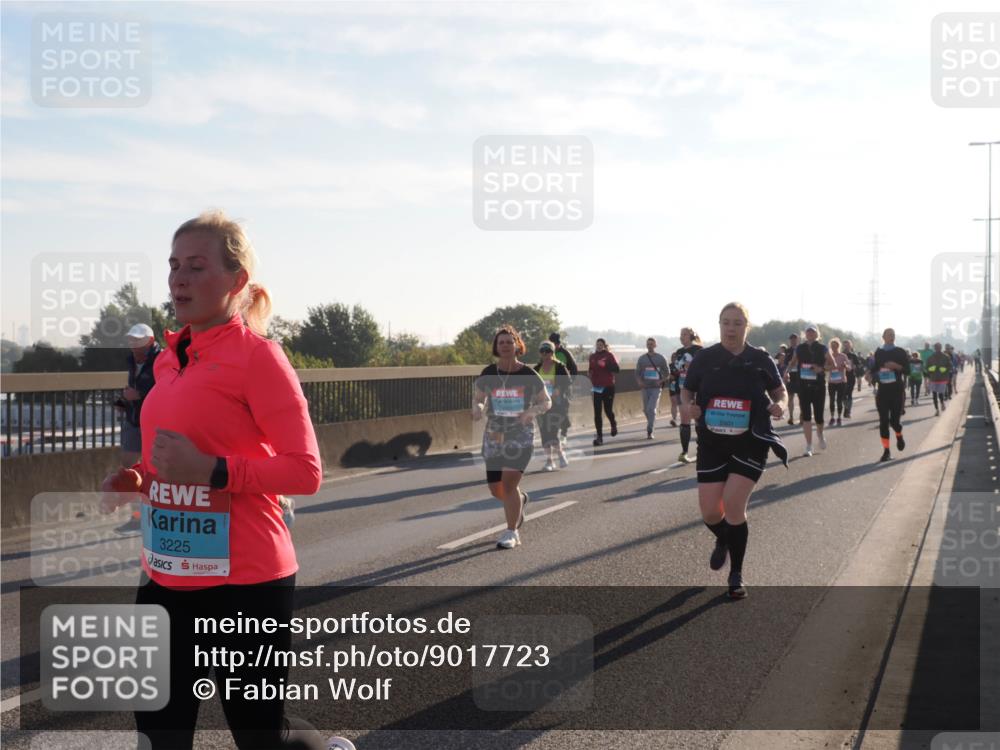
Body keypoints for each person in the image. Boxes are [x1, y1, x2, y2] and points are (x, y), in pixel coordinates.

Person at [99, 211, 337, 750]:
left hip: (245, 583)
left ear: (236, 280)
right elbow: (167, 463)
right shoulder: (168, 361)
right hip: (164, 574)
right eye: (173, 265)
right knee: (159, 735)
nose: (178, 279)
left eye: (196, 266)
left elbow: (305, 471)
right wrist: (135, 478)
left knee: (260, 736)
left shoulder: (260, 358)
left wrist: (213, 470)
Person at [681, 302, 788, 600]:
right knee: (710, 512)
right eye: (726, 322)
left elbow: (780, 390)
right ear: (719, 325)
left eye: (737, 323)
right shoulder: (704, 358)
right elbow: (688, 389)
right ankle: (725, 539)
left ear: (747, 327)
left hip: (751, 440)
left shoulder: (760, 359)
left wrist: (780, 404)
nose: (731, 328)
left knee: (733, 504)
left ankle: (736, 574)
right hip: (712, 442)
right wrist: (688, 406)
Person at [473, 326, 551, 548]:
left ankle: (511, 532)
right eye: (501, 342)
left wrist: (531, 412)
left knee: (508, 484)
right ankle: (520, 500)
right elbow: (479, 398)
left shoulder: (528, 374)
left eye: (509, 342)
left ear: (517, 345)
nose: (505, 345)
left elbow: (546, 401)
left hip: (520, 434)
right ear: (496, 347)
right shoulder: (489, 373)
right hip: (494, 434)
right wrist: (478, 408)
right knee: (496, 489)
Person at [114, 323, 161, 532]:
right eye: (131, 339)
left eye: (137, 340)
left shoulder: (163, 359)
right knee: (129, 469)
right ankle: (137, 518)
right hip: (134, 421)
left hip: (155, 423)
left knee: (156, 470)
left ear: (150, 341)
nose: (133, 344)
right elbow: (134, 388)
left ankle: (158, 515)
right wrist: (124, 402)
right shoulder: (132, 361)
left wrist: (139, 396)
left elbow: (168, 389)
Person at [787, 324, 836, 456]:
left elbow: (833, 364)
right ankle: (809, 445)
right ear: (805, 334)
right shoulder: (799, 348)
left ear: (816, 334)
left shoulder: (822, 348)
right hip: (803, 386)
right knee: (806, 416)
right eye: (808, 331)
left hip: (818, 386)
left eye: (812, 332)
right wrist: (786, 373)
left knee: (819, 416)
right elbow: (792, 362)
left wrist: (821, 369)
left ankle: (820, 434)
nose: (810, 334)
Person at [868, 327, 910, 462]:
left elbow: (908, 371)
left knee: (894, 421)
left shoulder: (900, 352)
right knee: (883, 421)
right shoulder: (879, 352)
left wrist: (896, 366)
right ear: (883, 337)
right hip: (883, 391)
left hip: (897, 390)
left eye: (893, 334)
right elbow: (875, 368)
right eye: (889, 334)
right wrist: (870, 374)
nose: (892, 336)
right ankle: (886, 451)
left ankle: (899, 434)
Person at [534, 341, 572, 470]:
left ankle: (560, 454)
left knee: (553, 431)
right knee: (544, 432)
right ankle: (549, 461)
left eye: (548, 351)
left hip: (556, 405)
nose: (545, 354)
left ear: (552, 352)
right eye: (542, 351)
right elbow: (530, 385)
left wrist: (559, 389)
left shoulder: (559, 367)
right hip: (541, 405)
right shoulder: (536, 369)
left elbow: (568, 381)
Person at [670, 327, 703, 462]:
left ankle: (702, 449)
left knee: (698, 419)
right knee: (684, 419)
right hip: (683, 387)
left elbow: (703, 368)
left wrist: (691, 366)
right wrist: (677, 372)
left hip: (698, 389)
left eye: (684, 334)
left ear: (691, 336)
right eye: (680, 334)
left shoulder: (699, 350)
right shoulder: (679, 352)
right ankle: (684, 452)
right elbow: (676, 368)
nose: (681, 337)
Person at [548, 332, 578, 447]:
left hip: (563, 387)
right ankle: (553, 435)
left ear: (558, 343)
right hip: (551, 388)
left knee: (563, 410)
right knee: (552, 410)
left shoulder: (565, 354)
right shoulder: (547, 353)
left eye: (554, 344)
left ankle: (564, 434)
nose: (553, 346)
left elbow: (574, 369)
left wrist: (569, 383)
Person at [636, 337, 669, 439]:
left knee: (651, 408)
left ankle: (650, 430)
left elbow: (667, 374)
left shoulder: (661, 358)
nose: (650, 346)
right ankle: (651, 421)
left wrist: (661, 381)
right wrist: (639, 382)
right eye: (648, 344)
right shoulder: (642, 359)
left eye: (651, 344)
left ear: (655, 345)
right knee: (646, 410)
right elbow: (637, 373)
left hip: (656, 387)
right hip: (645, 387)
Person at [588, 338, 620, 446]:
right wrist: (590, 373)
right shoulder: (592, 357)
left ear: (604, 346)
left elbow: (617, 369)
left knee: (608, 410)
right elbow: (591, 369)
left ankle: (613, 423)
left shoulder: (609, 356)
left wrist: (605, 365)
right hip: (596, 387)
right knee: (597, 412)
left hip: (608, 387)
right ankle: (599, 437)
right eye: (597, 344)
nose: (599, 346)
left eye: (601, 345)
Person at [827, 338, 849, 426]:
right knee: (831, 400)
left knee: (839, 400)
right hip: (831, 381)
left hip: (841, 381)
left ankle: (839, 417)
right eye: (832, 346)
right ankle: (832, 417)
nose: (834, 348)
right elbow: (824, 367)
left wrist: (845, 366)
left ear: (838, 346)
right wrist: (832, 367)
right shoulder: (828, 356)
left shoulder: (843, 356)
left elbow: (849, 368)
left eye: (835, 346)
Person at [926, 343, 953, 416]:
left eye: (938, 347)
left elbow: (950, 366)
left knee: (939, 394)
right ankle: (937, 409)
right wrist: (931, 369)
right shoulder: (931, 357)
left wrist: (944, 369)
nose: (937, 349)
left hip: (941, 378)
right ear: (935, 348)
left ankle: (941, 404)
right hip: (934, 378)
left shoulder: (946, 357)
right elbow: (927, 367)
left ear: (940, 348)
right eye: (936, 347)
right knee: (935, 394)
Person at [842, 339, 863, 418]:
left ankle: (848, 411)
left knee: (849, 394)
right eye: (845, 345)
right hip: (842, 376)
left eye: (848, 345)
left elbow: (859, 365)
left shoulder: (853, 355)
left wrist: (855, 366)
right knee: (843, 394)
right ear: (843, 346)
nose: (846, 347)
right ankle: (846, 408)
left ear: (851, 346)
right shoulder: (841, 354)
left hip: (851, 376)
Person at [784, 333, 800, 425]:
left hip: (800, 375)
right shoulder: (787, 351)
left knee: (801, 397)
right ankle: (791, 417)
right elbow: (786, 362)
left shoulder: (801, 349)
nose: (793, 341)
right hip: (791, 375)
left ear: (797, 340)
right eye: (791, 339)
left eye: (794, 339)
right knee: (790, 397)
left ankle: (802, 415)